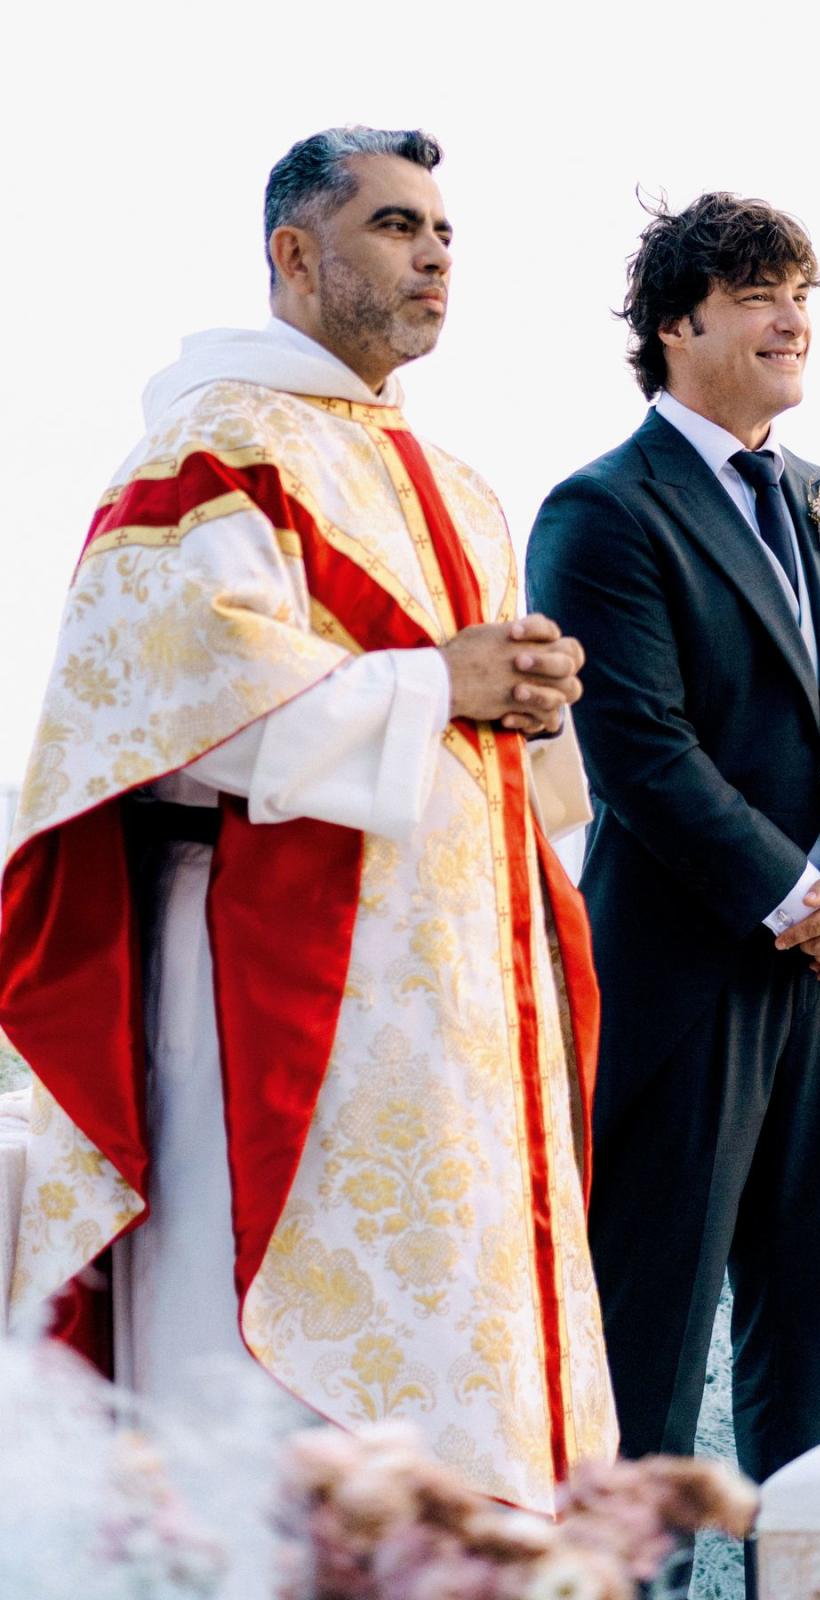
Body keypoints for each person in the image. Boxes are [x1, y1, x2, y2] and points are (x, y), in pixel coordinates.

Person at [0, 126, 617, 1513]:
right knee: (274, 1433)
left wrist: (525, 698)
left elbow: (490, 757)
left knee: (460, 1383)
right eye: (398, 226)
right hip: (276, 1012)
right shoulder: (214, 442)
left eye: (445, 232)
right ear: (295, 253)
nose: (437, 254)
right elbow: (154, 718)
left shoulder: (460, 482)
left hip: (456, 1029)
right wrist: (434, 680)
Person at [526, 192, 820, 1582]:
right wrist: (798, 899)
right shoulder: (600, 509)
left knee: (805, 1382)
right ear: (677, 323)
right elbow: (638, 749)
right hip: (680, 990)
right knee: (645, 1376)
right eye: (760, 291)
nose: (791, 315)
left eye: (803, 288)